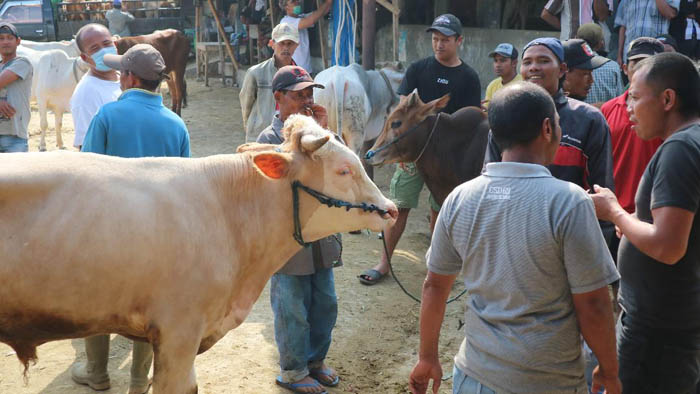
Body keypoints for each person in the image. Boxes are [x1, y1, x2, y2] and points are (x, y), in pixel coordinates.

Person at [409, 81, 621, 394]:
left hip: (474, 377)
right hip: (548, 381)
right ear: (548, 128)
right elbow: (593, 303)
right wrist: (609, 368)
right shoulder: (569, 201)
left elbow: (435, 285)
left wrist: (427, 357)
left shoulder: (460, 198)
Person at [72, 44, 189, 394]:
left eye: (121, 71)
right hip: (157, 237)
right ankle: (139, 382)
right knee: (147, 308)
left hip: (109, 234)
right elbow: (184, 189)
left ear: (130, 78)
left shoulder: (107, 116)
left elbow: (86, 177)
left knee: (98, 302)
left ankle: (97, 373)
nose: (119, 77)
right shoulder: (176, 124)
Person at [591, 52, 700, 393]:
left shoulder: (680, 149)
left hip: (656, 337)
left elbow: (668, 247)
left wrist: (614, 212)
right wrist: (637, 225)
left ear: (668, 99)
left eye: (635, 97)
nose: (628, 108)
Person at [358, 14, 481, 286]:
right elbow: (403, 110)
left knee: (440, 209)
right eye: (435, 39)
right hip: (413, 153)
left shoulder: (468, 77)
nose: (439, 45)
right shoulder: (418, 69)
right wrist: (402, 151)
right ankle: (384, 263)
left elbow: (471, 118)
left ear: (459, 41)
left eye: (445, 40)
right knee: (399, 206)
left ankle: (435, 268)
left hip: (446, 158)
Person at [255, 65, 341, 394]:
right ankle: (293, 370)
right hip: (287, 238)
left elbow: (340, 172)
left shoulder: (321, 134)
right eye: (298, 95)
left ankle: (316, 362)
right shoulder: (268, 138)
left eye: (310, 94)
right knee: (291, 306)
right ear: (278, 98)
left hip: (320, 232)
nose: (306, 101)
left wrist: (324, 131)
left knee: (325, 302)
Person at [485, 37, 615, 243]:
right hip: (513, 235)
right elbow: (491, 181)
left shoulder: (589, 120)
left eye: (543, 61)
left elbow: (602, 191)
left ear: (562, 69)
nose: (534, 67)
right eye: (528, 62)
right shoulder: (503, 115)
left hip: (570, 238)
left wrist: (601, 246)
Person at [600, 37, 664, 233]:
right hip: (611, 215)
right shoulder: (608, 109)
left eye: (649, 64)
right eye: (637, 63)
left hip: (653, 218)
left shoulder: (670, 112)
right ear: (625, 68)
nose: (642, 69)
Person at [240, 22, 299, 142]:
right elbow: (246, 106)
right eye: (281, 43)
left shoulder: (301, 76)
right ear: (272, 44)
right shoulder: (255, 73)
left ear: (297, 45)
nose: (286, 48)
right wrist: (251, 128)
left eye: (290, 44)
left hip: (289, 136)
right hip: (260, 135)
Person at [71, 23, 121, 150]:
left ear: (114, 45)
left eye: (106, 44)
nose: (103, 51)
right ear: (84, 57)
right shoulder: (86, 94)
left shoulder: (125, 79)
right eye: (95, 48)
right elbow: (87, 149)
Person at [615, 0, 680, 65]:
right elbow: (623, 27)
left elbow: (670, 14)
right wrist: (619, 55)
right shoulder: (625, 1)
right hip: (631, 53)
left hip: (655, 52)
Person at [0, 22, 32, 153]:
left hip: (14, 138)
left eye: (10, 38)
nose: (5, 42)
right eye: (1, 38)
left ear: (18, 41)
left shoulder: (22, 63)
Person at [576, 23, 625, 105]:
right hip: (606, 116)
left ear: (576, 39)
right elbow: (619, 99)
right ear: (601, 44)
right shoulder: (613, 66)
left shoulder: (570, 66)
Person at [279, 0, 332, 73]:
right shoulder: (286, 22)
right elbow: (310, 20)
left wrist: (328, 3)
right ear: (286, 7)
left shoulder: (300, 17)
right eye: (293, 1)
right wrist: (328, 2)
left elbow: (320, 13)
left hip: (305, 68)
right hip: (295, 70)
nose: (297, 2)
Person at [541, 0, 614, 46]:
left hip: (597, 44)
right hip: (571, 42)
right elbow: (546, 14)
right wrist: (566, 28)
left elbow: (601, 16)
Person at [483, 43, 522, 108]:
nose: (497, 65)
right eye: (495, 61)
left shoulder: (524, 84)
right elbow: (486, 111)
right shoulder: (492, 85)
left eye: (502, 60)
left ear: (514, 63)